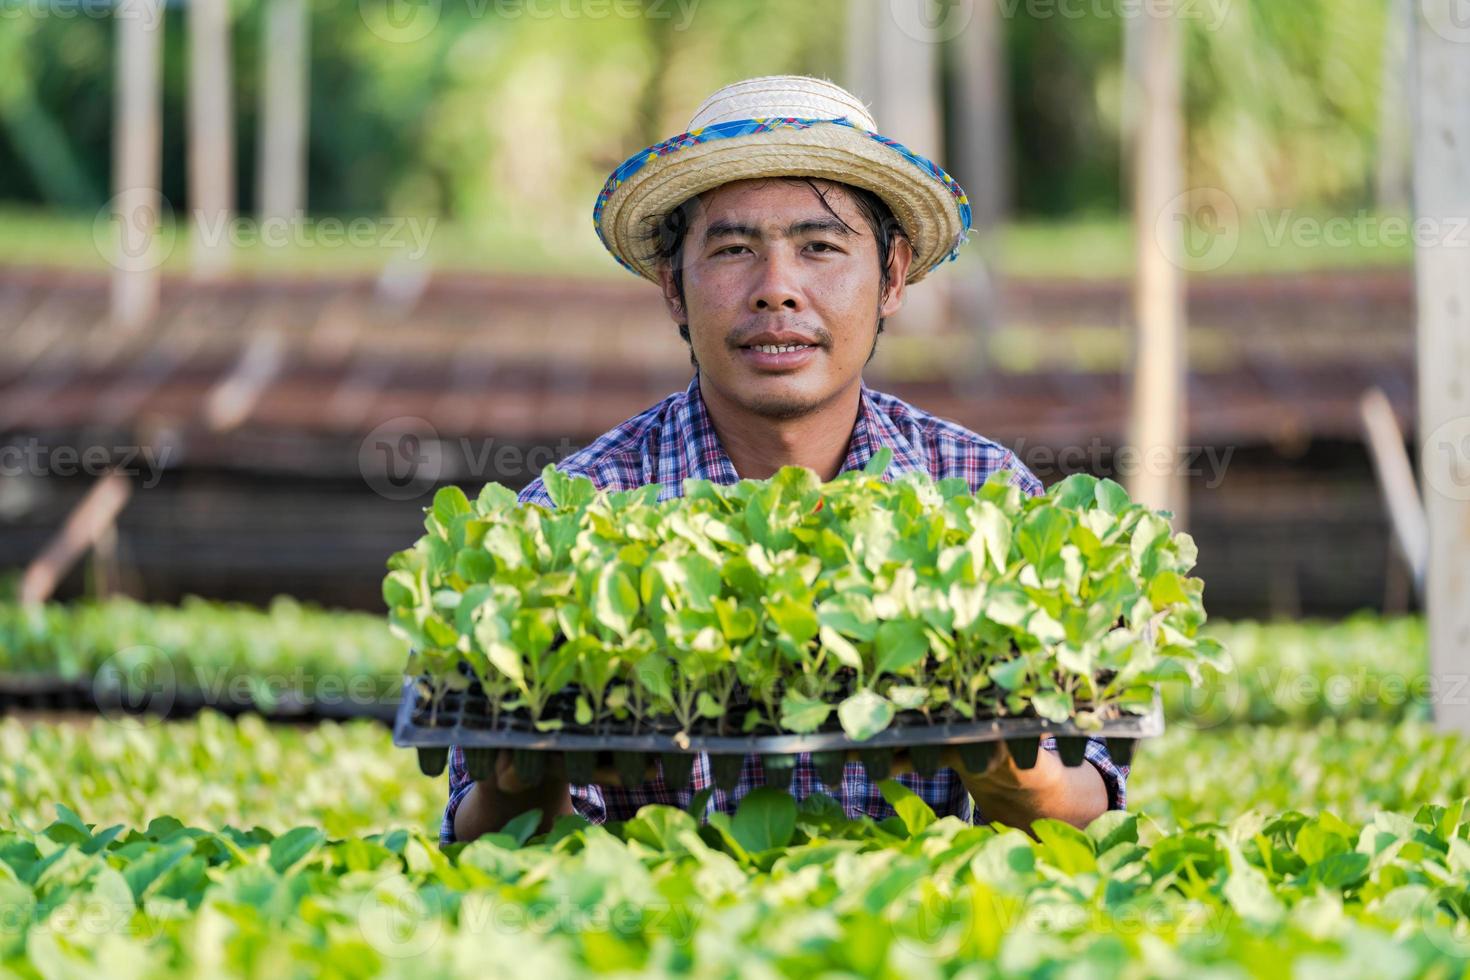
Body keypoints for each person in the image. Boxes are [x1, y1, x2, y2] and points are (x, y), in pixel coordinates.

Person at [444, 75, 1126, 845]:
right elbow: (485, 831)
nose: (777, 291)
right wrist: (529, 778)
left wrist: (1006, 766)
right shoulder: (563, 521)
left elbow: (1091, 805)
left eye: (820, 248)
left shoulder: (994, 501)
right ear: (674, 287)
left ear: (892, 277)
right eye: (734, 250)